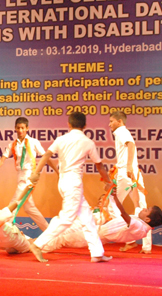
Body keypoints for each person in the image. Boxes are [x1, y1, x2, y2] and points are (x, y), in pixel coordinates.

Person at [28, 112, 113, 263]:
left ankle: (97, 253)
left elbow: (47, 155)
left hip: (64, 182)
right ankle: (37, 244)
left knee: (87, 219)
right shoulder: (88, 142)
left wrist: (36, 173)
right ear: (85, 126)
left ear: (69, 124)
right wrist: (108, 181)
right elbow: (99, 165)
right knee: (67, 219)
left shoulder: (61, 139)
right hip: (73, 183)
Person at [40, 189, 162, 253]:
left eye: (147, 210)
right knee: (62, 232)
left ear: (147, 218)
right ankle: (37, 244)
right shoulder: (140, 222)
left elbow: (123, 213)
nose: (144, 208)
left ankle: (38, 247)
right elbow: (122, 212)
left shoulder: (139, 227)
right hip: (98, 230)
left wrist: (115, 196)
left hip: (98, 235)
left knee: (63, 239)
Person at [0, 117, 49, 231]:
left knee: (14, 204)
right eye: (18, 128)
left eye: (22, 128)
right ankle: (49, 231)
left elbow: (46, 156)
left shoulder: (33, 142)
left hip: (29, 176)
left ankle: (6, 231)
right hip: (20, 175)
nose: (20, 130)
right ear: (15, 128)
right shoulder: (12, 145)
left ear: (27, 129)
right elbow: (1, 160)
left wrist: (58, 171)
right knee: (30, 208)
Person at [108, 111, 151, 253]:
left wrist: (127, 166)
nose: (110, 124)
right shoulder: (122, 132)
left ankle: (130, 240)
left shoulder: (121, 131)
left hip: (126, 173)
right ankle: (146, 246)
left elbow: (131, 145)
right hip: (135, 173)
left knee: (112, 205)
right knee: (142, 208)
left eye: (112, 121)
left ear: (120, 121)